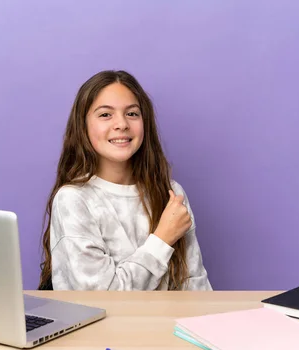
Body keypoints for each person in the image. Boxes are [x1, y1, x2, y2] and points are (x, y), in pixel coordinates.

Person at [38, 70, 212, 291]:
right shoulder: (73, 199)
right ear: (83, 126)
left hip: (168, 326)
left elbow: (196, 285)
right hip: (103, 327)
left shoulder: (171, 193)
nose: (121, 124)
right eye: (105, 115)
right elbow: (102, 296)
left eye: (132, 114)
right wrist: (162, 238)